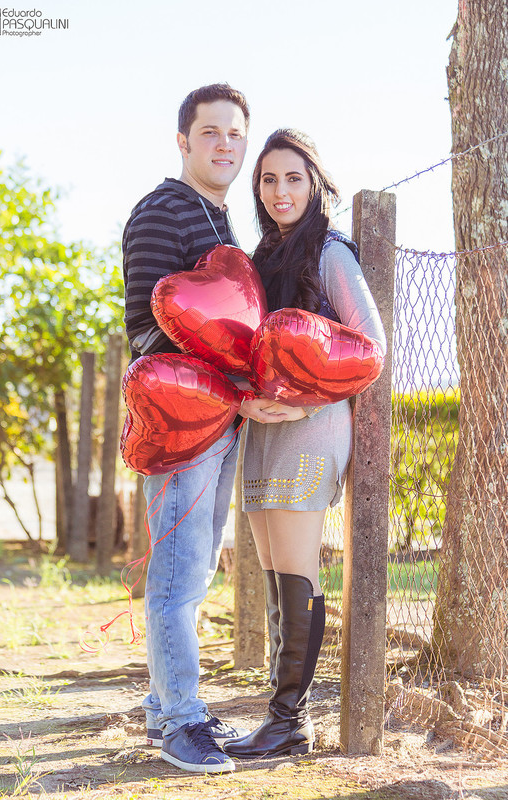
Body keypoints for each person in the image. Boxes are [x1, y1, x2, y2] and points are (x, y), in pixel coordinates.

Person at [122, 84, 283, 774]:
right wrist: (229, 381)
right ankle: (180, 723)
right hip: (183, 419)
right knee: (179, 575)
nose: (224, 145)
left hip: (222, 418)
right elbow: (147, 329)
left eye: (235, 134)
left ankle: (170, 704)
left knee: (193, 571)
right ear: (182, 141)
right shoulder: (163, 212)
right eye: (210, 132)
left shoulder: (218, 221)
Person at [224, 129, 387, 760]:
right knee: (272, 571)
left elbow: (369, 347)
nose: (280, 190)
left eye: (293, 178)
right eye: (268, 179)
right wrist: (247, 397)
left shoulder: (331, 253)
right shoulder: (263, 256)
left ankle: (290, 720)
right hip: (262, 429)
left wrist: (305, 396)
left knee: (296, 568)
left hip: (312, 428)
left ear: (314, 183)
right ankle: (280, 714)